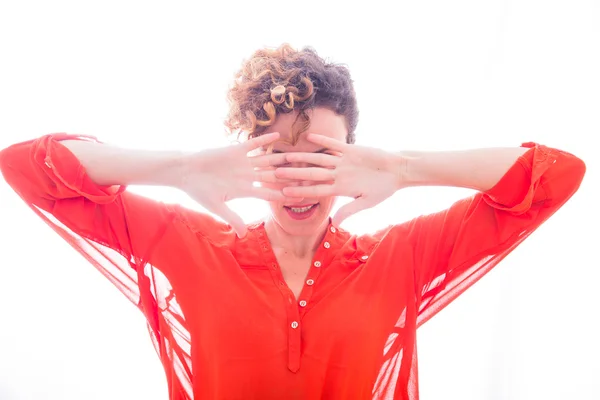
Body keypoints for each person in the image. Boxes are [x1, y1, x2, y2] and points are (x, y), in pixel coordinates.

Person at [0, 43, 586, 400]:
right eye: (280, 155)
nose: (300, 178)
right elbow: (26, 167)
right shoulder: (189, 244)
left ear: (356, 158)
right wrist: (179, 166)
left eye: (323, 156)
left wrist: (403, 168)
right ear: (245, 156)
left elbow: (553, 177)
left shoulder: (399, 255)